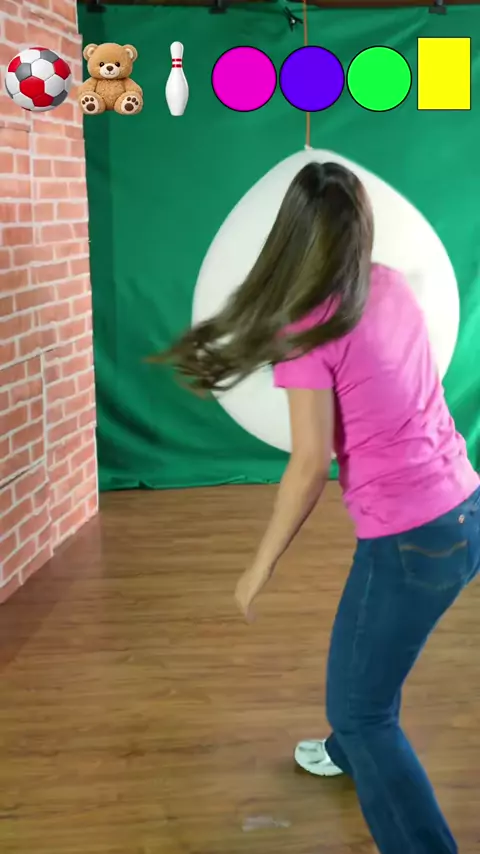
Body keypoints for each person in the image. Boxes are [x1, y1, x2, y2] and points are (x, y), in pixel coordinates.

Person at [159, 161, 480, 854]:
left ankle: (361, 748)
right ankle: (345, 749)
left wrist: (259, 568)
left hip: (411, 542)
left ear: (292, 237)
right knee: (371, 661)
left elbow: (309, 466)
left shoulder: (308, 329)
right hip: (465, 512)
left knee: (362, 712)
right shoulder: (389, 284)